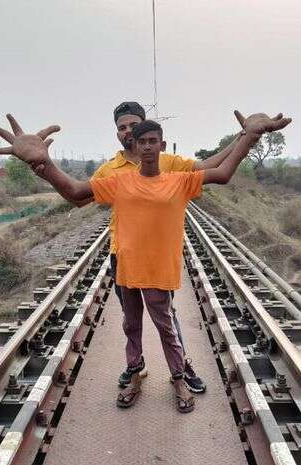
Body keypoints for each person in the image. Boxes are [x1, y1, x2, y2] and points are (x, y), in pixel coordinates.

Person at [0, 111, 291, 413]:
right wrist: (42, 164)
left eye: (152, 141)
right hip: (126, 269)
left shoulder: (180, 180)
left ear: (162, 145)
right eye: (141, 141)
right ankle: (134, 377)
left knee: (166, 328)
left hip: (159, 271)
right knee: (131, 327)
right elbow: (76, 192)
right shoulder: (118, 181)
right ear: (133, 145)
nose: (147, 146)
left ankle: (178, 380)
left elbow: (223, 172)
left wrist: (250, 135)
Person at [73, 101, 254, 393]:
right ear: (117, 133)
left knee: (165, 315)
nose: (129, 132)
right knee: (131, 321)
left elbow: (212, 168)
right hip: (123, 254)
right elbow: (80, 197)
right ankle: (136, 366)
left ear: (154, 137)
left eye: (135, 125)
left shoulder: (167, 162)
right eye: (123, 127)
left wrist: (243, 137)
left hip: (157, 256)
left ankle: (181, 367)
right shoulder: (111, 170)